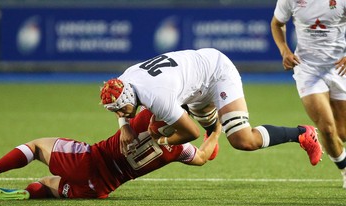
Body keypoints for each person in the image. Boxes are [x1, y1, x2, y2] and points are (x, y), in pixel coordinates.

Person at [100, 48, 323, 165]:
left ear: (130, 97)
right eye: (116, 112)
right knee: (205, 123)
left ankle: (302, 134)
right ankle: (213, 130)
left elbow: (190, 133)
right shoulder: (124, 80)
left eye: (121, 110)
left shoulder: (157, 97)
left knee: (242, 140)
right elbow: (121, 103)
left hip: (216, 73)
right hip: (193, 82)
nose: (120, 113)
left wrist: (162, 141)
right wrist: (124, 125)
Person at [0, 108, 221, 200]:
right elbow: (203, 157)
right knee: (48, 185)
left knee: (36, 146)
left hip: (88, 161)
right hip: (100, 189)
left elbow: (124, 100)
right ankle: (28, 193)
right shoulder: (180, 150)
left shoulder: (147, 117)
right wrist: (216, 131)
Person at [271, 0, 346, 188]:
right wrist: (284, 51)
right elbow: (277, 23)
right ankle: (345, 170)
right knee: (327, 129)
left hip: (339, 68)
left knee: (343, 132)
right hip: (308, 70)